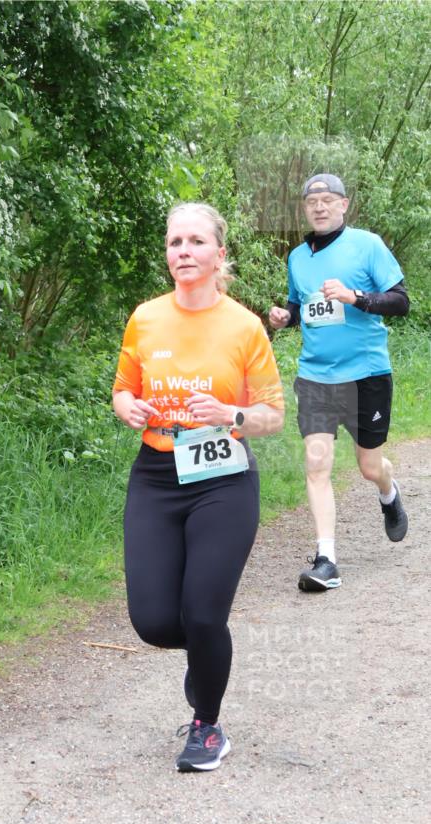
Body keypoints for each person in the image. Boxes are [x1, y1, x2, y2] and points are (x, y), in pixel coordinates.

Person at [112, 202, 285, 773]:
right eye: (174, 242)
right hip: (157, 473)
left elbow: (272, 415)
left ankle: (206, 726)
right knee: (155, 622)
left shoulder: (243, 325)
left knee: (204, 614)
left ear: (219, 255)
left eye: (195, 242)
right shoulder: (145, 317)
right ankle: (208, 656)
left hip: (223, 476)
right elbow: (121, 390)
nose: (182, 251)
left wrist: (230, 414)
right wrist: (129, 408)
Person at [269, 173, 409, 592]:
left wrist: (356, 297)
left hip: (366, 374)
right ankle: (326, 560)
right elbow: (301, 305)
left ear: (344, 205)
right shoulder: (297, 257)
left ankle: (388, 490)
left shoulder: (368, 245)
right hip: (316, 376)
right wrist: (285, 317)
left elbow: (401, 302)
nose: (319, 207)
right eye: (312, 201)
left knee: (369, 466)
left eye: (328, 200)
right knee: (317, 464)